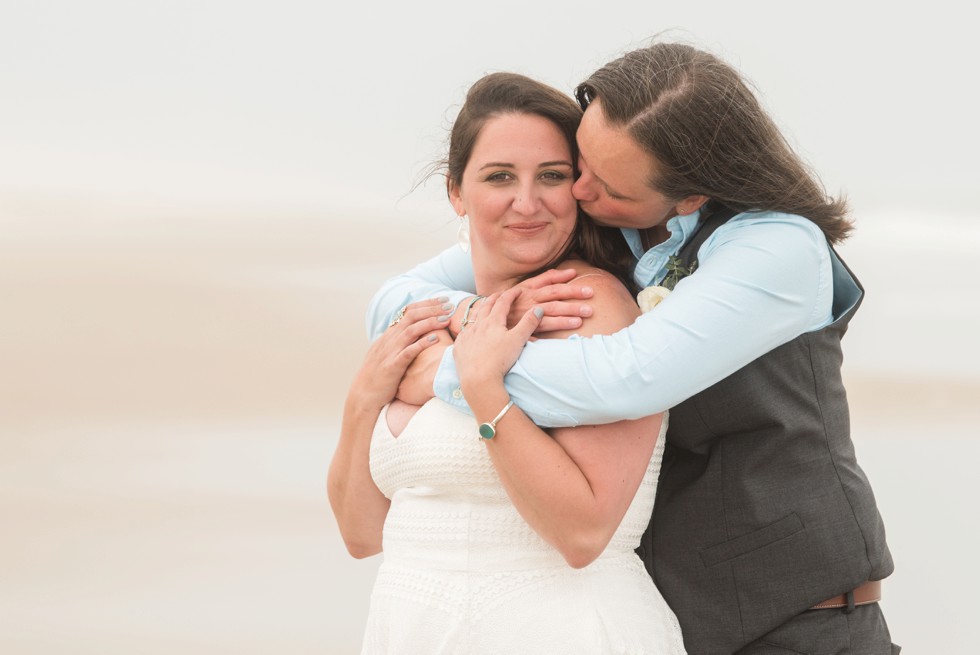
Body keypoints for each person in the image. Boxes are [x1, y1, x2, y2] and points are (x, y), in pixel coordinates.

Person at [368, 42, 899, 654]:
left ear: (692, 195)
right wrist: (468, 314)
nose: (579, 191)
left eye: (602, 180)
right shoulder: (614, 220)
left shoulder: (778, 250)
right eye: (580, 162)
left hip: (800, 621)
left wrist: (448, 370)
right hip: (677, 616)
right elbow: (395, 298)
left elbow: (622, 380)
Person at [329, 72, 687, 654]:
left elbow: (582, 534)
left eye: (553, 176)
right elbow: (362, 534)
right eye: (500, 177)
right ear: (456, 192)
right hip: (411, 627)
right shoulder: (433, 315)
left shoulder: (585, 307)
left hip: (562, 630)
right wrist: (362, 400)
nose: (528, 202)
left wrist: (481, 385)